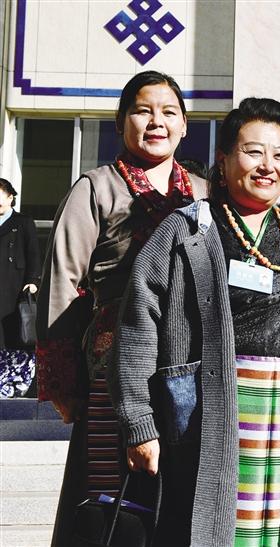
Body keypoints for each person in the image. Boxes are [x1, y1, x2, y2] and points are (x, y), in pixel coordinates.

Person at [109, 97, 280, 546]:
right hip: (211, 418)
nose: (267, 166)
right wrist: (139, 423)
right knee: (213, 529)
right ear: (222, 160)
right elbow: (137, 330)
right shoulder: (184, 232)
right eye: (253, 152)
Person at [35, 70, 206, 546]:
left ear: (185, 125)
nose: (156, 122)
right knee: (108, 498)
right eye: (142, 110)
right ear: (120, 121)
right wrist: (62, 382)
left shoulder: (203, 192)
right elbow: (62, 283)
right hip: (113, 366)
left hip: (188, 364)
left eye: (168, 112)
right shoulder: (96, 188)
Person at [0, 178, 40, 349]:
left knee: (11, 333)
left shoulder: (23, 222)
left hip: (14, 285)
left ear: (10, 197)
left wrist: (33, 280)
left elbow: (33, 253)